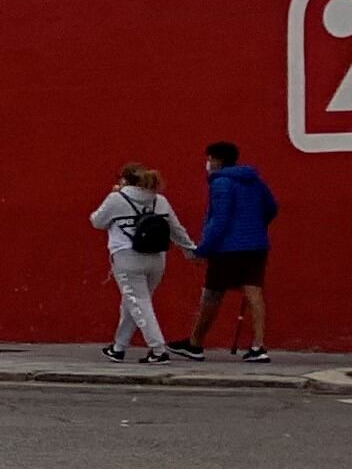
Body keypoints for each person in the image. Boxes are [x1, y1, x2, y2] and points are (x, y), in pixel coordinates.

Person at [178, 138, 280, 362]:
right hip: (256, 245)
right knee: (254, 293)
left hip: (227, 248)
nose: (208, 163)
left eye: (210, 158)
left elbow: (219, 220)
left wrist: (203, 249)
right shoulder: (255, 181)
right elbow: (271, 207)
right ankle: (259, 346)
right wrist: (255, 226)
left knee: (212, 294)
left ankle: (195, 343)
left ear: (217, 160)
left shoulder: (221, 183)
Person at [90, 160, 184, 363]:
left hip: (126, 257)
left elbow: (97, 221)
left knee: (138, 303)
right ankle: (118, 347)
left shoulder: (116, 198)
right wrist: (191, 250)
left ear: (125, 179)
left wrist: (116, 196)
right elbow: (176, 230)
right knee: (132, 303)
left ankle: (158, 350)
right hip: (157, 259)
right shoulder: (160, 201)